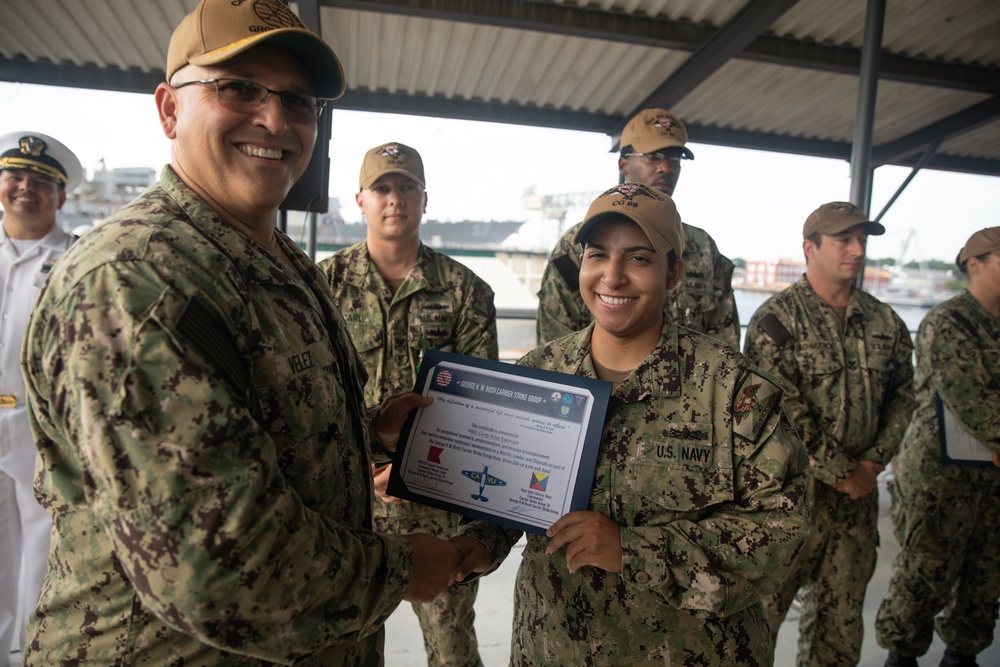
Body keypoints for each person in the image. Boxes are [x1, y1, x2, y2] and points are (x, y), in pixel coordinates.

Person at [18, 1, 461, 664]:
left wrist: (365, 429)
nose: (276, 120)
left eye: (299, 100)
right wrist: (403, 568)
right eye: (238, 88)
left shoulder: (275, 261)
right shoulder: (135, 279)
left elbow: (245, 421)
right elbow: (216, 568)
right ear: (169, 110)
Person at [452, 183, 811, 666]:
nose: (612, 277)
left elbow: (782, 529)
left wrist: (633, 550)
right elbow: (507, 494)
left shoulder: (732, 389)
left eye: (638, 258)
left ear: (674, 272)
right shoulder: (540, 374)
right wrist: (473, 542)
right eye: (597, 255)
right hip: (554, 648)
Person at [319, 142, 497, 667]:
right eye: (382, 188)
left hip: (440, 506)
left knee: (452, 648)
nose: (394, 199)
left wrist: (409, 469)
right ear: (360, 200)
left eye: (406, 187)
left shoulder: (466, 291)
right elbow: (320, 401)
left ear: (424, 199)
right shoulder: (323, 285)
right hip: (351, 509)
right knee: (344, 647)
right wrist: (372, 463)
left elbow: (477, 406)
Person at [743, 201, 917, 667]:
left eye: (863, 240)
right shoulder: (774, 320)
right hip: (786, 502)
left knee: (839, 634)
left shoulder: (886, 322)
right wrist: (841, 470)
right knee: (756, 623)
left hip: (855, 507)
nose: (857, 250)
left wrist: (873, 463)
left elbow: (905, 395)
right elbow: (776, 406)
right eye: (844, 239)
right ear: (810, 248)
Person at [874, 227, 1000, 667]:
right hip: (940, 478)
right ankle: (901, 655)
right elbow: (970, 397)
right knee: (925, 573)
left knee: (986, 575)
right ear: (975, 264)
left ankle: (963, 654)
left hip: (994, 480)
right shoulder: (949, 321)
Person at [535, 108, 739, 347]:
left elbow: (725, 341)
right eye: (653, 156)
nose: (666, 168)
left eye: (674, 159)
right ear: (623, 164)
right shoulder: (579, 241)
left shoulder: (703, 246)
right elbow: (557, 346)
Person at [0, 131, 82, 667]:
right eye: (15, 177)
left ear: (61, 197)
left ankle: (29, 655)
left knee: (40, 553)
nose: (25, 188)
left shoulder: (76, 259)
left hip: (38, 426)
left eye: (41, 182)